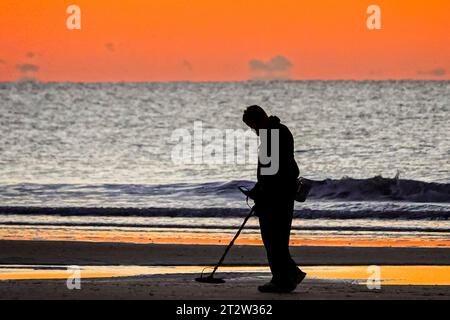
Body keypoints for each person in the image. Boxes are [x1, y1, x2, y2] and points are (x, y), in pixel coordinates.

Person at [242, 105, 306, 293]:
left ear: (260, 119)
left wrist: (261, 191)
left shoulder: (272, 135)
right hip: (279, 193)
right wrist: (258, 188)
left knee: (272, 239)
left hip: (276, 196)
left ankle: (284, 278)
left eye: (253, 126)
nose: (253, 131)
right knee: (276, 239)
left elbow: (274, 172)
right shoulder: (278, 131)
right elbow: (276, 169)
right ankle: (289, 274)